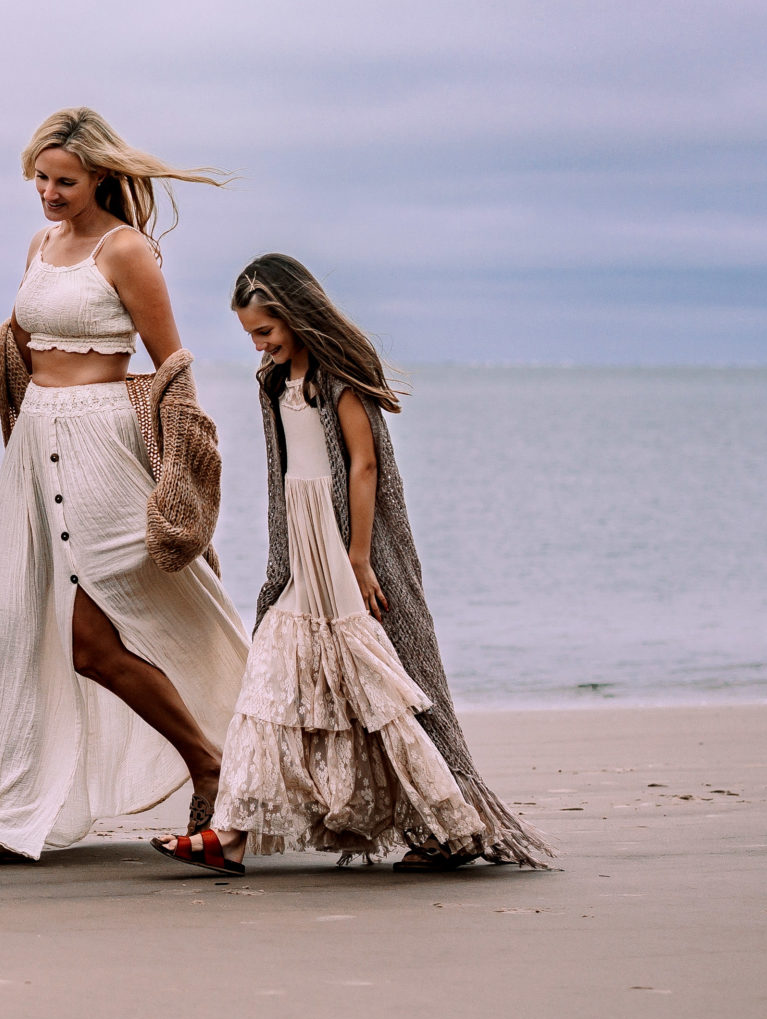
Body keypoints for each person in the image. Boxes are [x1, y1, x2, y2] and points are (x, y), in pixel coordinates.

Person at [152, 255, 554, 875]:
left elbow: (363, 467)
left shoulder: (337, 377)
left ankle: (446, 829)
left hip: (343, 545)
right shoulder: (275, 381)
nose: (260, 345)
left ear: (294, 316)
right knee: (271, 679)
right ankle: (227, 837)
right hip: (300, 545)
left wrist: (360, 560)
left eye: (266, 332)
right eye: (252, 336)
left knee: (379, 687)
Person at [0, 108, 250, 867]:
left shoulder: (127, 249)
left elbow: (172, 368)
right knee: (19, 631)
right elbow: (11, 349)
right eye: (39, 178)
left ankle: (213, 765)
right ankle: (8, 817)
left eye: (64, 180)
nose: (48, 193)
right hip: (33, 445)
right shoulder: (40, 245)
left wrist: (182, 478)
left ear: (99, 176)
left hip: (103, 443)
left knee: (101, 638)